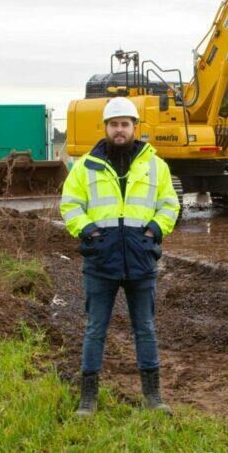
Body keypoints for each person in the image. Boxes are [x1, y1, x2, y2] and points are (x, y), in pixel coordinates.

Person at [59, 96, 180, 417]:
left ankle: (153, 397)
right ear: (106, 128)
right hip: (101, 261)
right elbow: (70, 205)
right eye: (114, 124)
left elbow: (169, 204)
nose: (119, 130)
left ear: (134, 127)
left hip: (141, 261)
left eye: (125, 124)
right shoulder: (85, 166)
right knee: (95, 328)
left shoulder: (156, 165)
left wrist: (154, 231)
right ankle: (88, 399)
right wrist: (90, 234)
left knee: (146, 328)